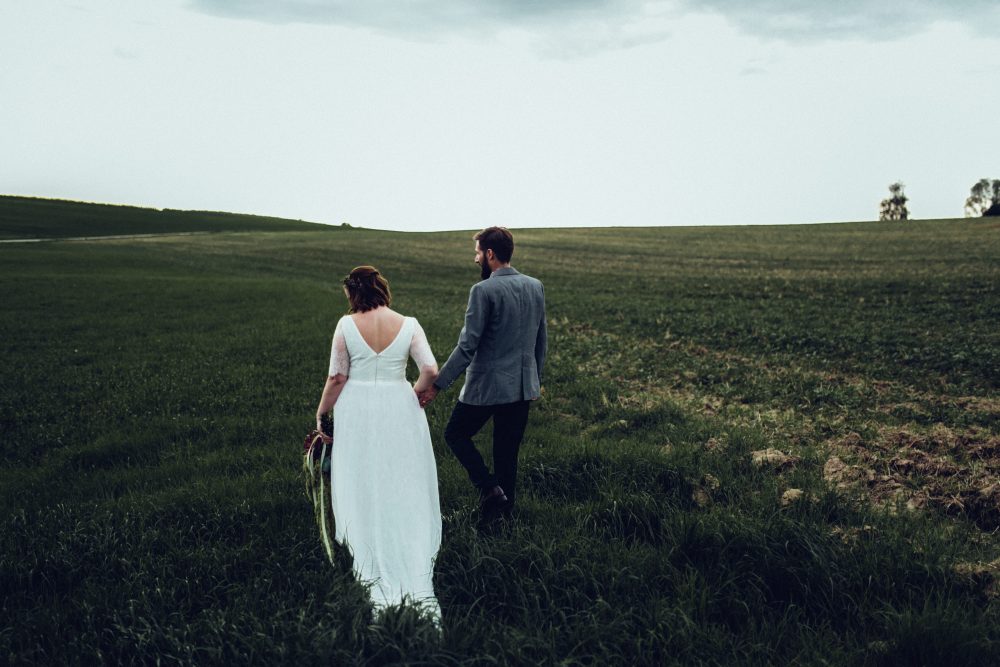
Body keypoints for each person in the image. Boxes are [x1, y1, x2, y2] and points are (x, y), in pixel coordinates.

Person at [314, 266, 442, 620]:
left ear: (353, 293)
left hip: (357, 406)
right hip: (399, 404)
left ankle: (366, 532)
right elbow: (430, 369)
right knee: (399, 472)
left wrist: (322, 412)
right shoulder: (410, 324)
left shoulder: (346, 325)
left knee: (360, 471)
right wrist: (411, 393)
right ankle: (402, 530)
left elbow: (338, 376)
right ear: (381, 288)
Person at [417, 227, 547, 528]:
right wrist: (535, 380)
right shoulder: (535, 285)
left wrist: (437, 385)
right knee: (506, 453)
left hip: (488, 386)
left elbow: (467, 346)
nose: (475, 258)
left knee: (455, 434)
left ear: (490, 254)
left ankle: (489, 491)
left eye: (477, 252)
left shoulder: (483, 290)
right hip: (523, 386)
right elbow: (542, 339)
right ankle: (503, 516)